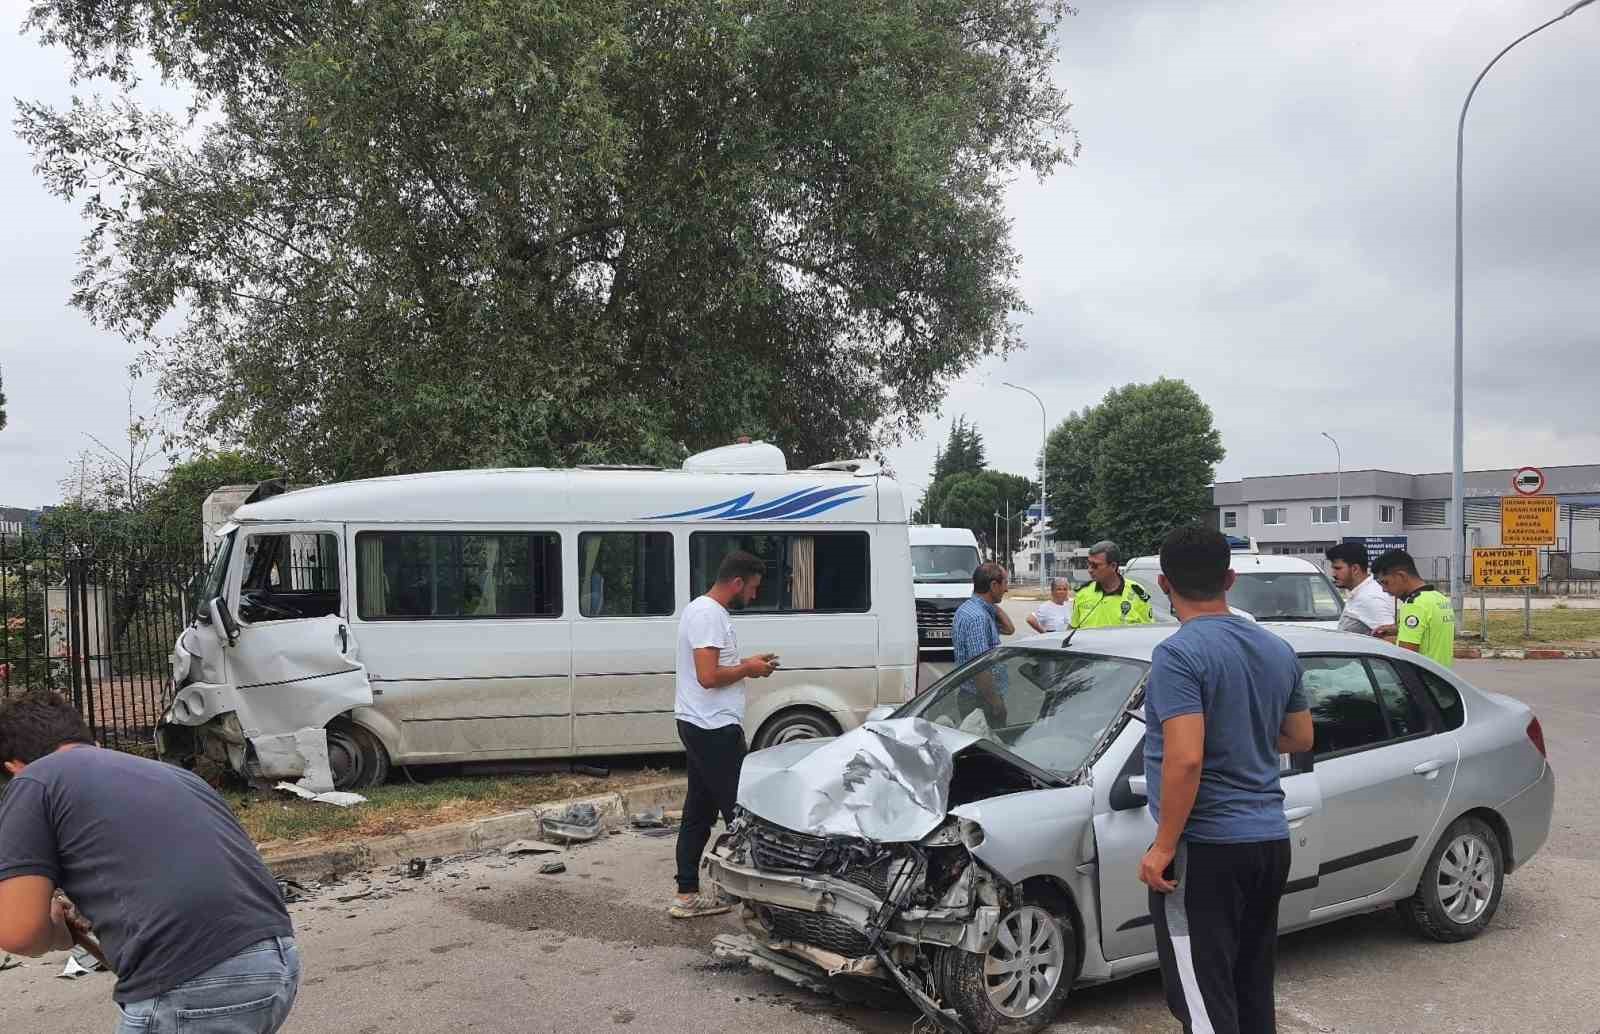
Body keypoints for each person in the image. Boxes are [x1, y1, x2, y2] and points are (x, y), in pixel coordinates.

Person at [0, 691, 299, 1034]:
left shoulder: (34, 780)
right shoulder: (174, 775)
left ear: (14, 767)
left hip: (193, 979)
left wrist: (55, 931)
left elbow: (19, 933)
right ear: (93, 744)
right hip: (276, 957)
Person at [1140, 527, 1314, 1034]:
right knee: (1251, 986)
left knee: (1204, 1002)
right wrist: (1246, 736)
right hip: (1268, 841)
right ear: (1230, 579)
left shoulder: (1177, 654)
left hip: (1206, 849)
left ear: (1164, 584)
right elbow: (1300, 737)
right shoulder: (1276, 648)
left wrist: (1162, 846)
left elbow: (1186, 758)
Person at [670, 549, 779, 918]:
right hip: (712, 727)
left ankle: (687, 894)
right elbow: (707, 676)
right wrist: (748, 668)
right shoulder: (707, 615)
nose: (753, 595)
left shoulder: (707, 612)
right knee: (742, 813)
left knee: (698, 812)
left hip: (703, 723)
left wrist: (747, 664)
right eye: (752, 587)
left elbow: (714, 668)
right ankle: (761, 902)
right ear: (736, 582)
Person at [952, 562, 1014, 728]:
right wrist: (995, 702)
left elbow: (1009, 629)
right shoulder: (978, 617)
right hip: (981, 700)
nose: (1006, 589)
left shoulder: (971, 609)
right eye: (1005, 583)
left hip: (976, 696)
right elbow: (981, 668)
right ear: (993, 585)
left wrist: (992, 604)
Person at [1370, 549, 1456, 668]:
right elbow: (1429, 632)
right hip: (1442, 677)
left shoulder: (1414, 605)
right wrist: (1397, 629)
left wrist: (1382, 644)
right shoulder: (1439, 598)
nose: (1384, 590)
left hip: (1423, 679)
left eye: (1385, 582)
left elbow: (1406, 656)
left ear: (1401, 576)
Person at [1071, 540, 1155, 628]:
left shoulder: (1136, 593)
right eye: (1088, 564)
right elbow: (1073, 628)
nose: (1090, 570)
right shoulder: (1082, 593)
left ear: (1113, 566)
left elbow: (1148, 632)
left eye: (1095, 566)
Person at [1324, 542, 1394, 635]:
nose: (1333, 574)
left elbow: (1390, 640)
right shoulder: (1360, 593)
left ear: (1355, 569)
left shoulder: (1370, 598)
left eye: (1338, 568)